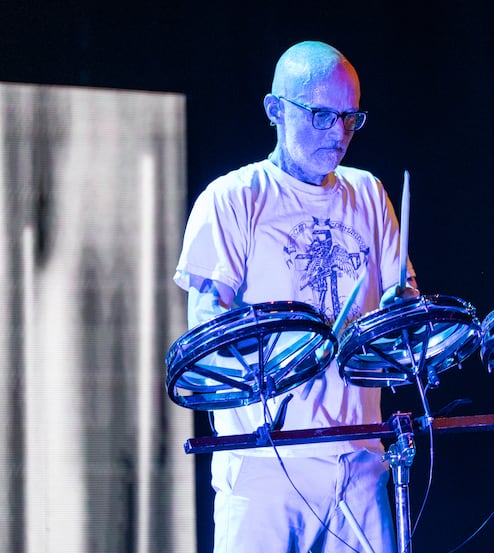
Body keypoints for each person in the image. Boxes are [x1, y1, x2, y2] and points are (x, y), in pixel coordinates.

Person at [173, 40, 418, 553]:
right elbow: (206, 335)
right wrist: (285, 358)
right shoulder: (234, 198)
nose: (339, 134)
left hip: (358, 459)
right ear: (275, 110)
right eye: (322, 115)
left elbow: (403, 303)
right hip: (265, 463)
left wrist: (401, 313)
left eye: (351, 118)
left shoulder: (370, 193)